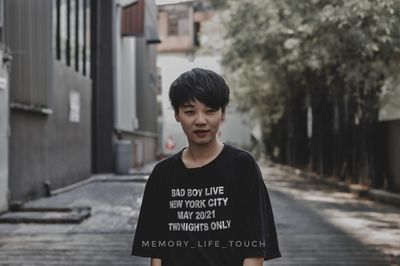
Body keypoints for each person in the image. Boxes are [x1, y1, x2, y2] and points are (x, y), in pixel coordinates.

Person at [132, 68, 281, 266]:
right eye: (190, 111)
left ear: (222, 113)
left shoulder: (242, 166)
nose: (201, 121)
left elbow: (254, 249)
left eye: (210, 111)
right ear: (177, 114)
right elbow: (157, 252)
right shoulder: (163, 174)